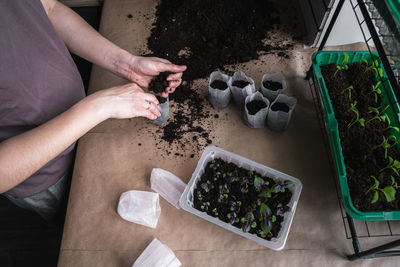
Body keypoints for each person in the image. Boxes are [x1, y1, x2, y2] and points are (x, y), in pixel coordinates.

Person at [0, 0, 186, 221]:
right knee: (82, 219)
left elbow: (48, 9)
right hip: (48, 172)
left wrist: (127, 64)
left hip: (88, 123)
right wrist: (100, 106)